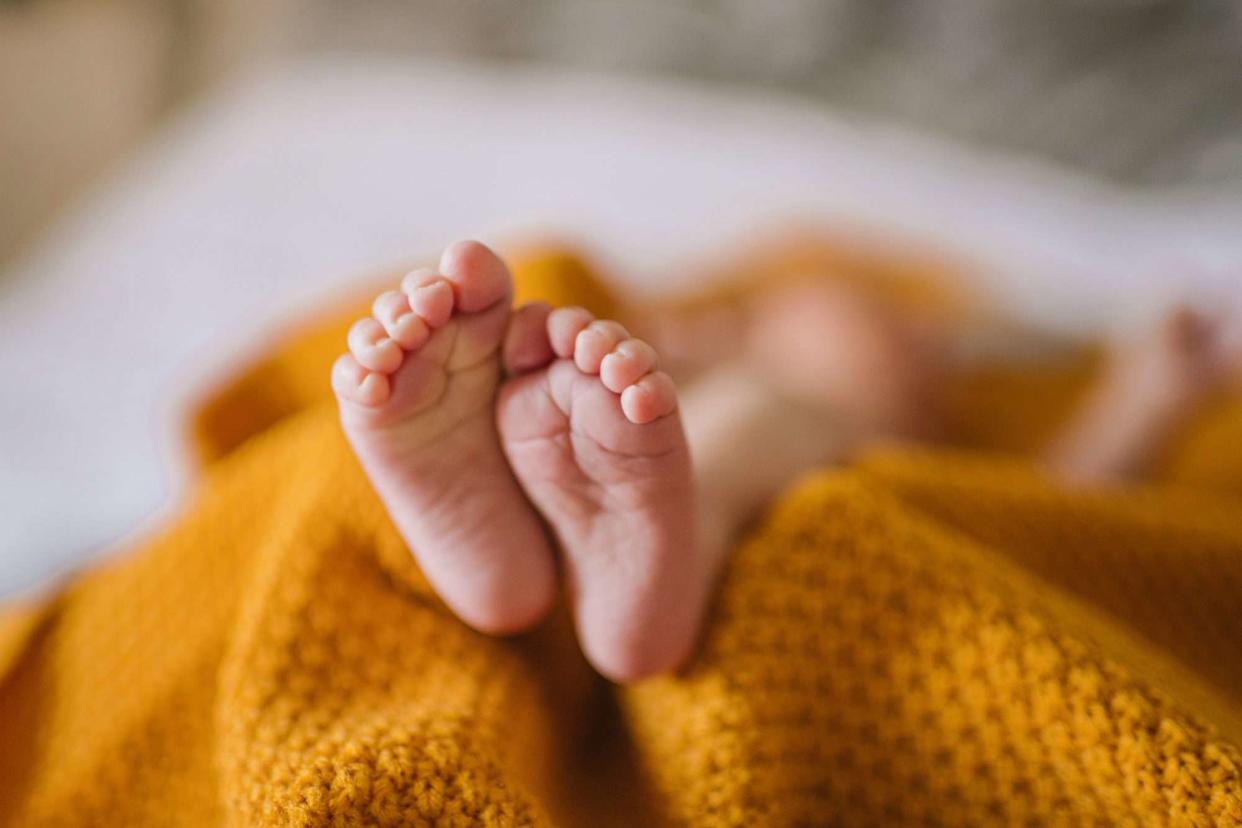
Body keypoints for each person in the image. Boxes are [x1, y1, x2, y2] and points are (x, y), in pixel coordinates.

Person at [332, 240, 1241, 682]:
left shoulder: (915, 443)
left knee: (722, 422)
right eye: (904, 329)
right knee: (680, 410)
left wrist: (1148, 389)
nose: (927, 344)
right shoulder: (756, 337)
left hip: (705, 469)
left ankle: (542, 548)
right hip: (658, 440)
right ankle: (514, 522)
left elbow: (1059, 512)